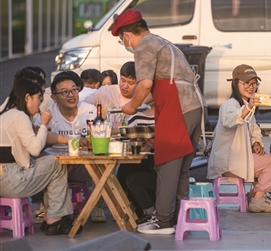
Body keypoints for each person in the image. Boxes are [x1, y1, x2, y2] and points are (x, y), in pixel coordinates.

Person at [111, 9, 205, 235]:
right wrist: (143, 103)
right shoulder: (165, 43)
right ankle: (181, 216)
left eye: (121, 38)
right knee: (182, 169)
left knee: (166, 164)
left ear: (126, 34)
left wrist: (131, 106)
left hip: (178, 109)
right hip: (194, 107)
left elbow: (144, 85)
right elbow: (163, 85)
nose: (124, 43)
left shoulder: (144, 46)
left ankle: (163, 222)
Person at [0, 78, 81, 236]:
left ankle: (54, 217)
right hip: (12, 179)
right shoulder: (19, 116)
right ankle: (54, 218)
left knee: (52, 164)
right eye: (39, 99)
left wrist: (42, 131)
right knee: (56, 162)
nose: (39, 106)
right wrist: (44, 124)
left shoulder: (7, 114)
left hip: (4, 178)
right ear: (27, 97)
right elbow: (35, 149)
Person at [207, 64, 271, 213]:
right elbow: (230, 120)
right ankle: (258, 200)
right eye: (246, 84)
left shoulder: (246, 105)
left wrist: (256, 143)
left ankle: (255, 195)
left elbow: (253, 129)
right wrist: (249, 107)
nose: (251, 87)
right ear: (236, 84)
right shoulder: (230, 105)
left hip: (240, 159)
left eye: (254, 84)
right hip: (229, 162)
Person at [85, 61, 156, 224]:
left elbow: (147, 132)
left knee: (127, 174)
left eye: (131, 83)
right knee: (114, 173)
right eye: (123, 80)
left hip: (148, 158)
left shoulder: (147, 102)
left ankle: (141, 213)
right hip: (114, 149)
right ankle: (131, 213)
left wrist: (114, 131)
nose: (125, 86)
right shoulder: (108, 93)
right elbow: (83, 106)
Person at [35, 71, 107, 223]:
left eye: (74, 90)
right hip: (54, 164)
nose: (71, 95)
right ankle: (52, 211)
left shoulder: (90, 111)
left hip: (83, 164)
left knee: (105, 165)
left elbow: (100, 135)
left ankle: (97, 206)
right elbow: (35, 141)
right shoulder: (47, 116)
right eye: (65, 92)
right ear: (54, 97)